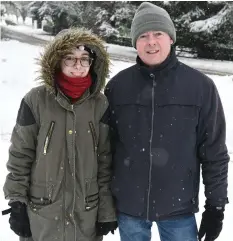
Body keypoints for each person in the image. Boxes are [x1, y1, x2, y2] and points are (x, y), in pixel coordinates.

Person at [104, 2, 229, 241]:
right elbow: (104, 152)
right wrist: (104, 205)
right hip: (129, 210)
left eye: (157, 34)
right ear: (135, 43)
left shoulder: (200, 87)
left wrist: (216, 206)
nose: (151, 41)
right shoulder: (117, 87)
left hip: (178, 209)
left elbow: (214, 152)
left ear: (170, 38)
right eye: (143, 35)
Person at [2, 28, 117, 241]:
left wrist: (106, 211)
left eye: (84, 59)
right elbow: (20, 155)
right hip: (42, 214)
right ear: (57, 60)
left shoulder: (100, 105)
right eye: (70, 58)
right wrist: (17, 201)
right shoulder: (35, 100)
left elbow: (105, 161)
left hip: (86, 215)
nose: (78, 65)